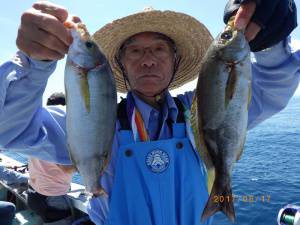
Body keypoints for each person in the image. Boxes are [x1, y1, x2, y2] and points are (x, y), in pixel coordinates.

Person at [0, 0, 299, 225]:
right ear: (120, 64)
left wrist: (269, 39)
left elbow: (269, 90)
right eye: (135, 50)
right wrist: (34, 63)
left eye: (159, 49)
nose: (148, 60)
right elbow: (11, 128)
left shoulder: (202, 106)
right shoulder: (95, 121)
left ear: (174, 60)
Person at [27, 93, 74, 225]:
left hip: (33, 194)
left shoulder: (37, 130)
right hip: (52, 197)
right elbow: (67, 168)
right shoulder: (61, 134)